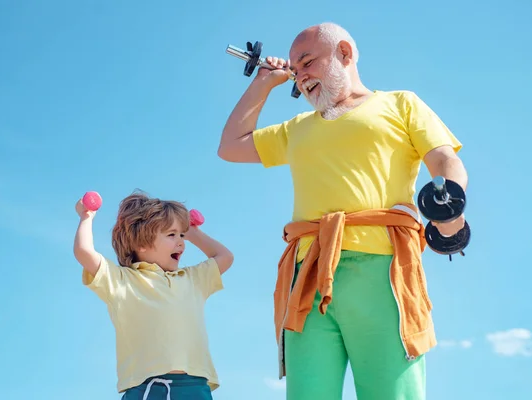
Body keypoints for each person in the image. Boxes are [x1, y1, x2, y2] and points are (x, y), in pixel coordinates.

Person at [217, 22, 468, 400]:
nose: (300, 77)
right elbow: (231, 146)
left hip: (382, 269)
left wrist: (449, 211)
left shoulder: (400, 104)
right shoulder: (297, 128)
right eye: (296, 70)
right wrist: (263, 82)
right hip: (308, 275)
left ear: (345, 54)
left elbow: (444, 160)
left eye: (308, 63)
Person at [73, 190, 234, 399]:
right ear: (142, 243)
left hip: (195, 386)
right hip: (146, 387)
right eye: (171, 235)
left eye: (181, 235)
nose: (181, 242)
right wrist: (87, 217)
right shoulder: (123, 280)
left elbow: (225, 257)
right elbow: (84, 251)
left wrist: (193, 231)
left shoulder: (192, 279)